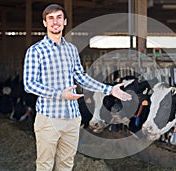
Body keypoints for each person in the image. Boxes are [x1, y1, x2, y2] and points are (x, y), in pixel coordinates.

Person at [23, 4, 132, 171]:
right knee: (44, 165)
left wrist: (109, 89)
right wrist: (60, 94)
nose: (55, 22)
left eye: (59, 17)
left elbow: (81, 77)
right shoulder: (36, 51)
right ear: (45, 23)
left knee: (66, 165)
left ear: (65, 21)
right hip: (48, 117)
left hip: (72, 118)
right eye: (50, 18)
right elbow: (29, 84)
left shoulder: (71, 50)